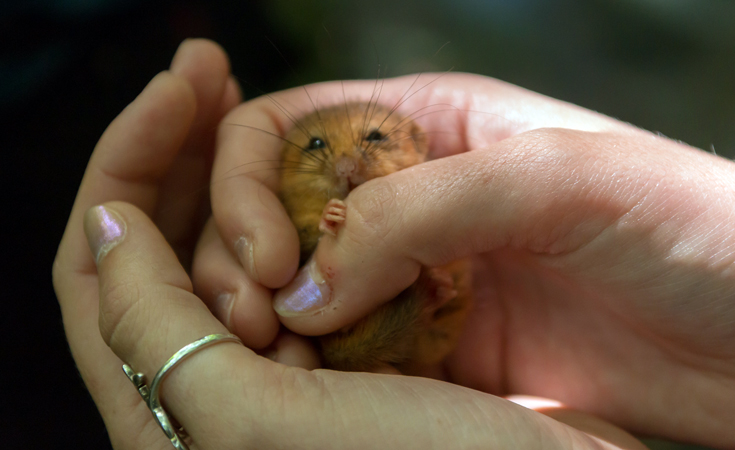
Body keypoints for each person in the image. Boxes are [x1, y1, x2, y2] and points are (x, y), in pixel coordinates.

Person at [53, 39, 735, 449]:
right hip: (353, 343)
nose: (346, 162)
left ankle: (420, 308)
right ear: (287, 162)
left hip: (424, 337)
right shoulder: (293, 212)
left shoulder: (441, 204)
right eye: (316, 147)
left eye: (375, 140)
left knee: (423, 292)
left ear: (413, 146)